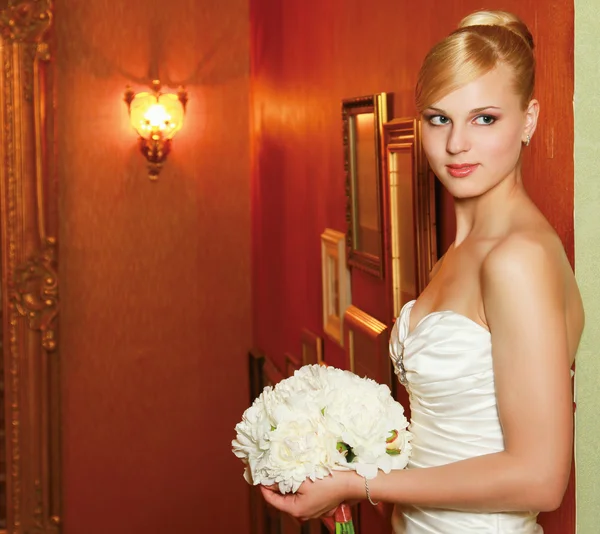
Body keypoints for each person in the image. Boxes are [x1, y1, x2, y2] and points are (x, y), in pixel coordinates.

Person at [261, 9, 584, 533]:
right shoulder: (457, 253)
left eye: (485, 118)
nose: (456, 143)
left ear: (529, 120)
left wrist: (359, 485)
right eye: (439, 118)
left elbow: (541, 479)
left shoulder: (516, 259)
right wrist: (346, 470)